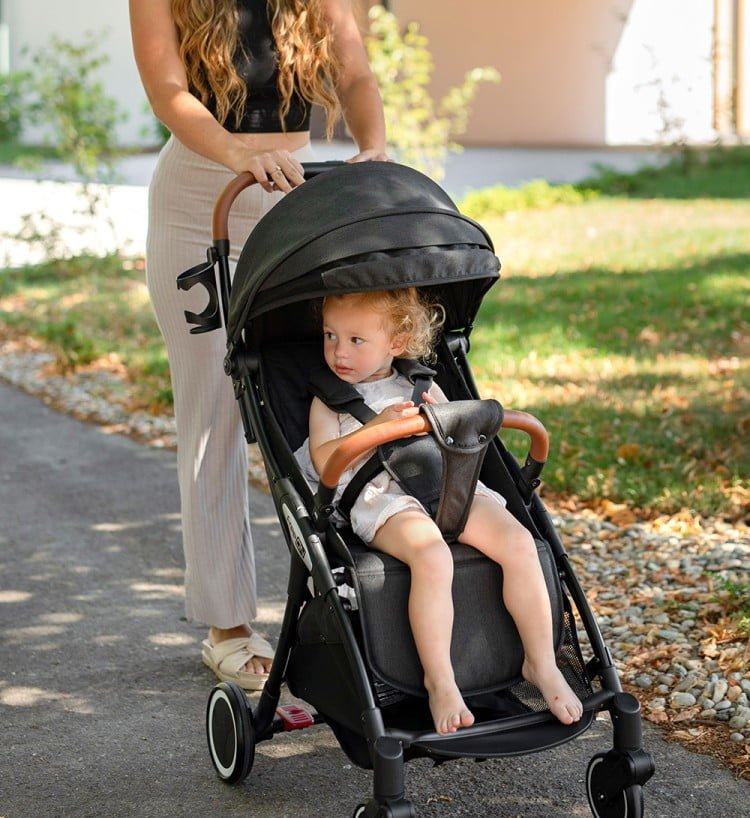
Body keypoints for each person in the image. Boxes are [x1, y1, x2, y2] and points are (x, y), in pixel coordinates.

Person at [129, 0, 388, 690]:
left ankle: (375, 605)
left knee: (324, 402)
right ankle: (229, 629)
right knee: (213, 417)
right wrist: (241, 151)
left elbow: (356, 75)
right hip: (196, 206)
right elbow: (168, 93)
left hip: (292, 202)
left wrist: (374, 147)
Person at [297, 289, 584, 735]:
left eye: (356, 340)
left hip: (444, 483)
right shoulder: (328, 399)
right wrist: (375, 427)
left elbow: (459, 441)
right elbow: (325, 461)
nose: (338, 351)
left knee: (519, 542)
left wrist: (445, 417)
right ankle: (441, 680)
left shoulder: (422, 383)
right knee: (434, 557)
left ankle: (541, 662)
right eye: (330, 336)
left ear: (397, 342)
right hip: (382, 498)